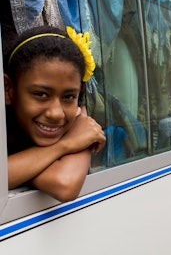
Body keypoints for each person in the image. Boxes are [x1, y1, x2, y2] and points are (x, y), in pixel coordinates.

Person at [4, 25, 106, 202]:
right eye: (41, 94)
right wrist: (66, 145)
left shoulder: (80, 124)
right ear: (8, 90)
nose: (56, 114)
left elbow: (64, 184)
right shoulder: (75, 137)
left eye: (68, 96)